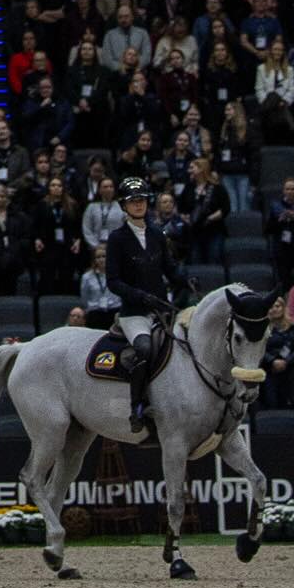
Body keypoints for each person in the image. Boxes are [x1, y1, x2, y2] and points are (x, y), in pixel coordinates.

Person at [106, 171, 184, 428]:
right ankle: (137, 407)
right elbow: (113, 281)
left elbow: (169, 269)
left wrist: (185, 279)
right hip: (134, 313)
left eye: (141, 199)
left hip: (162, 309)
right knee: (144, 349)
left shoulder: (157, 234)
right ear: (124, 205)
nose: (138, 204)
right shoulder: (117, 239)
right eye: (133, 201)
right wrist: (138, 295)